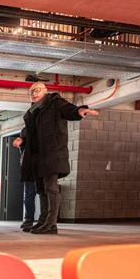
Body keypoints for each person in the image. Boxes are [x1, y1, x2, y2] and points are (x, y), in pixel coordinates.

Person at [14, 82, 98, 234]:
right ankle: (42, 221)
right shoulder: (32, 112)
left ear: (45, 91)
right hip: (37, 156)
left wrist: (79, 110)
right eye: (31, 92)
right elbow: (31, 134)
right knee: (41, 190)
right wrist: (23, 140)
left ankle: (51, 224)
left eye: (37, 90)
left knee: (51, 188)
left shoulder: (54, 103)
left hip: (52, 154)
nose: (34, 93)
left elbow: (69, 110)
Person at [17, 128, 38, 231]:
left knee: (44, 195)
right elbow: (22, 147)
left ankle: (45, 219)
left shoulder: (42, 128)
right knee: (29, 195)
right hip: (29, 167)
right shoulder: (25, 130)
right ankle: (29, 219)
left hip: (41, 166)